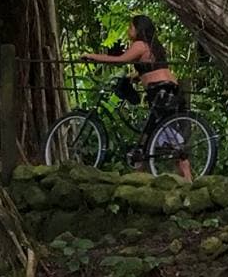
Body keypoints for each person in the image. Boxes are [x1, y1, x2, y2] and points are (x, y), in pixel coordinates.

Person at [82, 14, 193, 181]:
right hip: (170, 90)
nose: (128, 30)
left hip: (159, 92)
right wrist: (136, 75)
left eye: (131, 27)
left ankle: (142, 176)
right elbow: (152, 68)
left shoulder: (140, 45)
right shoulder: (154, 46)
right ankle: (181, 179)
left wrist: (92, 56)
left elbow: (120, 60)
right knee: (160, 133)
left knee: (159, 134)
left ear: (138, 29)